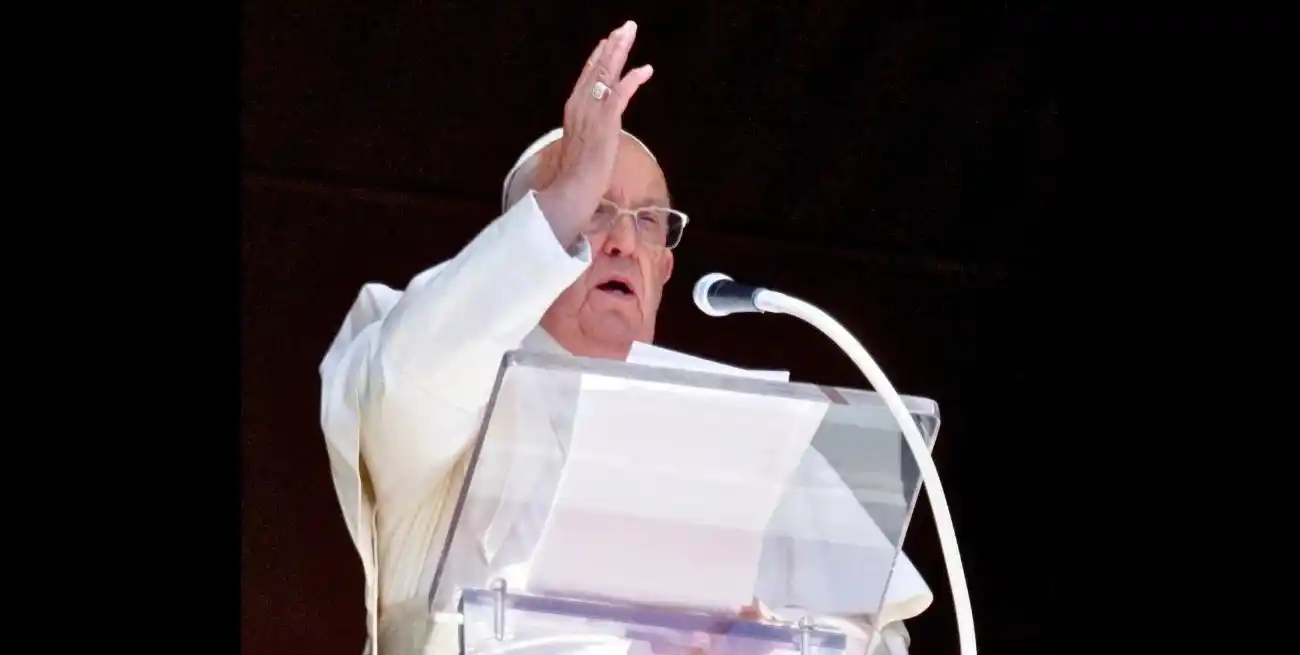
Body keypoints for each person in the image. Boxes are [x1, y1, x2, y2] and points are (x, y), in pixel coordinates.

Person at [319, 21, 923, 655]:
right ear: (518, 242)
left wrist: (763, 642)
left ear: (664, 270)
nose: (621, 240)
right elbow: (413, 372)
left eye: (649, 220)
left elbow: (873, 637)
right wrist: (562, 199)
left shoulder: (748, 437)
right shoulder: (445, 393)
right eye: (592, 207)